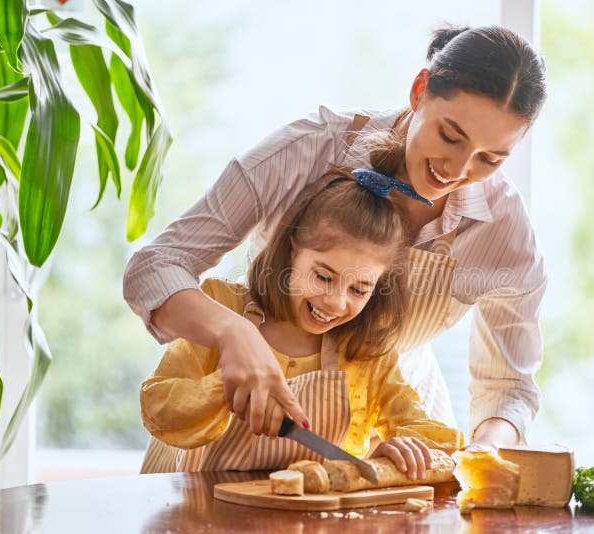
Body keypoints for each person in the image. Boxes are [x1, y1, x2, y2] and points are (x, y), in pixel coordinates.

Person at [124, 24, 547, 452]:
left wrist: (485, 452)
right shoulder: (308, 148)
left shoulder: (504, 230)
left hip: (383, 447)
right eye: (450, 136)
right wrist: (235, 334)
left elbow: (509, 388)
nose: (457, 169)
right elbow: (155, 267)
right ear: (419, 90)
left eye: (490, 159)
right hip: (217, 434)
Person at [139, 167, 462, 475]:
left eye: (359, 289)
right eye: (323, 276)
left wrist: (397, 453)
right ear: (293, 251)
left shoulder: (366, 353)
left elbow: (432, 436)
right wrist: (225, 387)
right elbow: (158, 408)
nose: (336, 302)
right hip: (206, 514)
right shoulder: (223, 306)